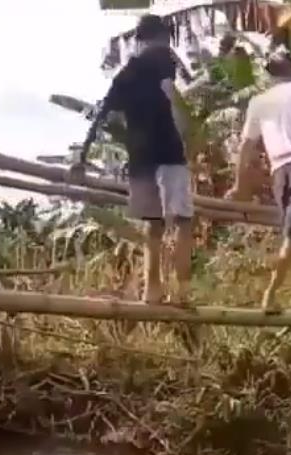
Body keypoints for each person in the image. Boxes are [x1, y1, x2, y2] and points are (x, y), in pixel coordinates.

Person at [71, 14, 193, 305]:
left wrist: (83, 156)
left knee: (153, 226)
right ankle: (182, 291)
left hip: (140, 159)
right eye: (164, 38)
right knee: (183, 222)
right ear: (157, 37)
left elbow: (101, 115)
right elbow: (172, 94)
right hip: (168, 154)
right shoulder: (165, 60)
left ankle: (154, 291)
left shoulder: (125, 76)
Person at [226, 46, 291, 313]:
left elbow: (246, 146)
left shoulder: (259, 102)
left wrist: (238, 184)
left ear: (270, 75)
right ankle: (270, 295)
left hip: (279, 173)